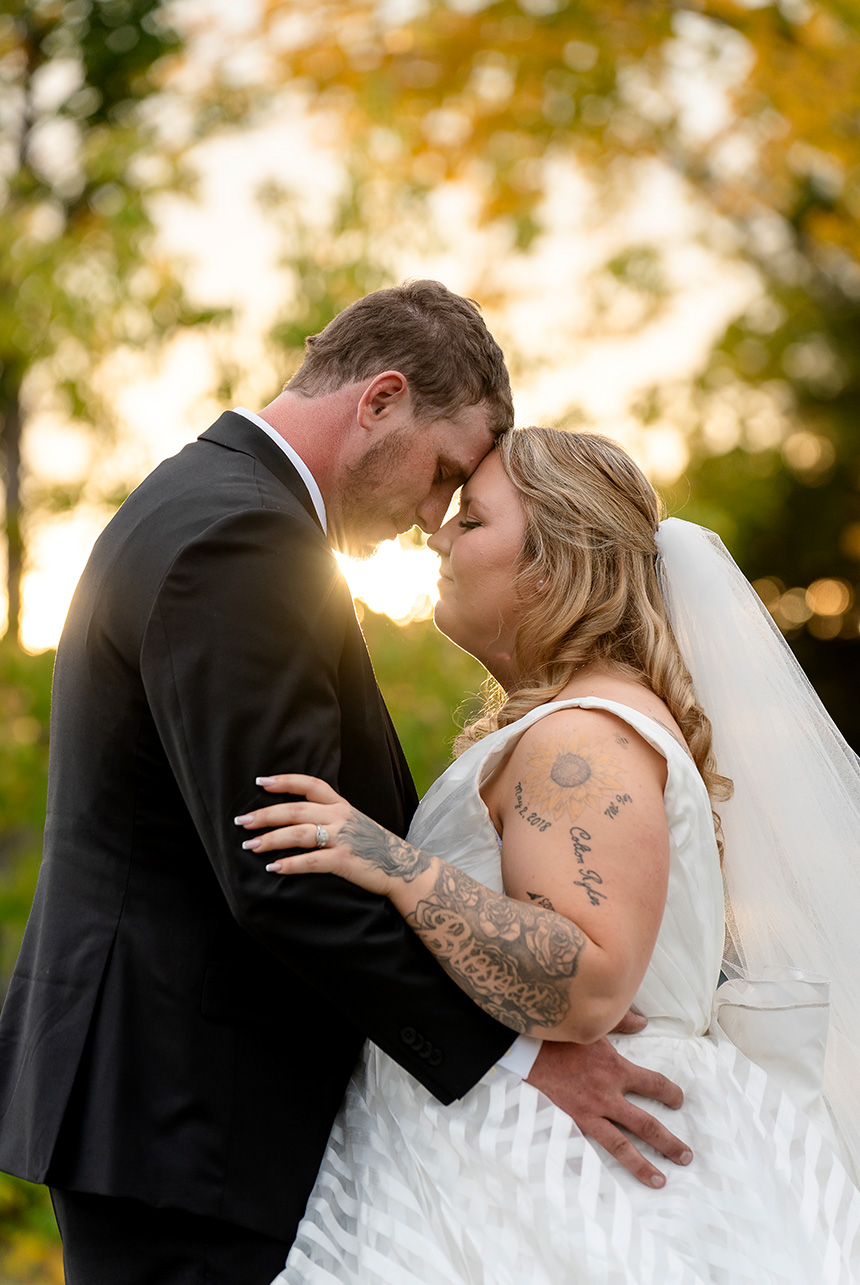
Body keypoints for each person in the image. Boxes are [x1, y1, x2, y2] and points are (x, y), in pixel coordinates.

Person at [0, 286, 690, 1285]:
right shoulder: (245, 540)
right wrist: (516, 1056)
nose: (428, 518)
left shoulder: (205, 499)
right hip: (192, 1113)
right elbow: (281, 866)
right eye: (441, 474)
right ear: (380, 400)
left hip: (173, 1107)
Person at [239, 427, 860, 1284]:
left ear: (554, 563)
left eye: (473, 520)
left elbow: (588, 981)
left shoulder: (584, 739)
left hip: (563, 1172)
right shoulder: (584, 719)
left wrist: (393, 862)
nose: (439, 535)